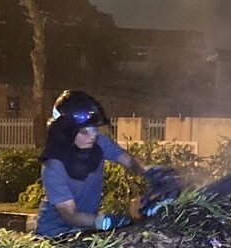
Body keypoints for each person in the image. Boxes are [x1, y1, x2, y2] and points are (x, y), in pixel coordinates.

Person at [34, 90, 151, 238]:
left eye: (94, 129)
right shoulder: (53, 167)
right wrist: (105, 222)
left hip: (85, 230)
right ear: (66, 132)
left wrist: (150, 173)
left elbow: (128, 160)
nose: (93, 134)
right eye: (85, 131)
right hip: (54, 235)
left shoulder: (99, 143)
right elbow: (70, 215)